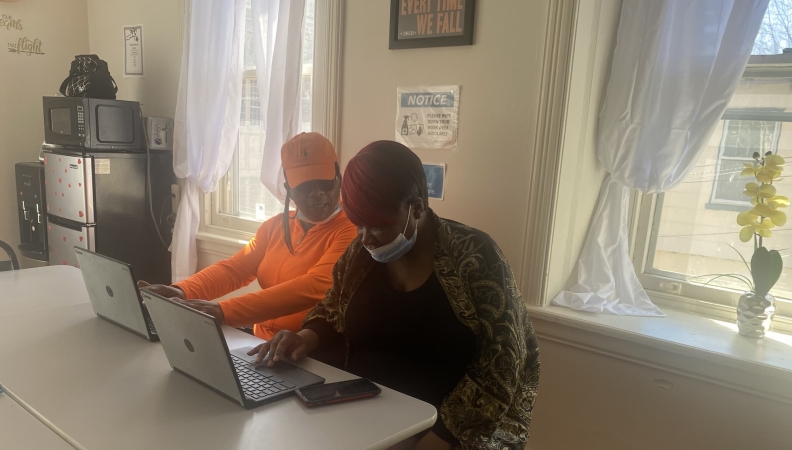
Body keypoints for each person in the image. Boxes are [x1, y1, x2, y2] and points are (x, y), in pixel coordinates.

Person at [249, 141, 541, 449]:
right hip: (361, 411)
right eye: (357, 224)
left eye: (376, 227)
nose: (364, 238)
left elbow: (504, 365)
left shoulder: (474, 257)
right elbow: (334, 307)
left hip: (449, 426)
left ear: (416, 207)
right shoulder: (360, 254)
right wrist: (306, 337)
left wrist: (440, 438)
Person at [139, 132, 357, 340]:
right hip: (259, 344)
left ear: (339, 180)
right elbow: (235, 270)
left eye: (326, 183)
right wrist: (180, 290)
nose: (317, 193)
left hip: (309, 352)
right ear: (288, 188)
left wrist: (223, 311)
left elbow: (313, 287)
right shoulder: (274, 227)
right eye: (305, 186)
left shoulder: (352, 230)